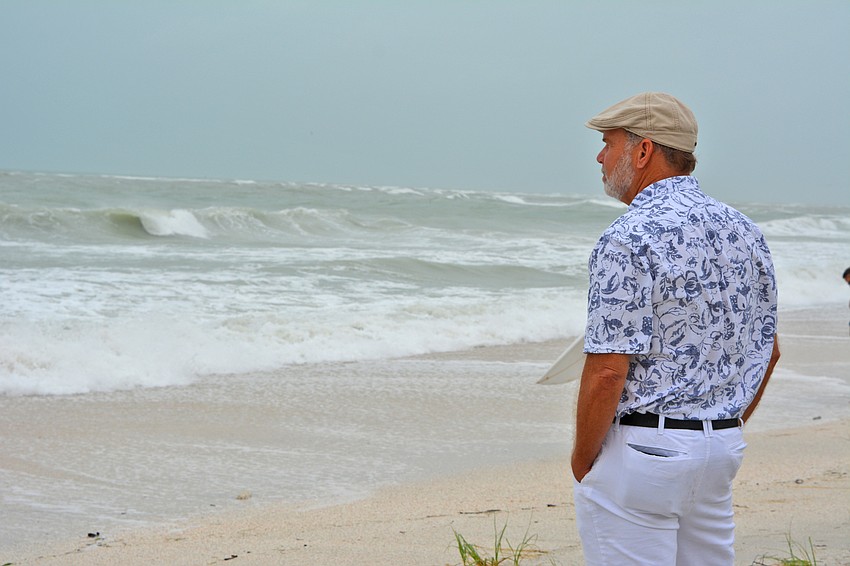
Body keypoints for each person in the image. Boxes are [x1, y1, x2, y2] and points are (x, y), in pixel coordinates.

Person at [571, 92, 781, 565]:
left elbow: (608, 370)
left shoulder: (628, 236)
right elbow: (769, 351)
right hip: (720, 447)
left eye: (608, 143)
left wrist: (583, 460)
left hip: (645, 452)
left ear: (643, 151)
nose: (599, 156)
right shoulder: (743, 230)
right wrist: (721, 425)